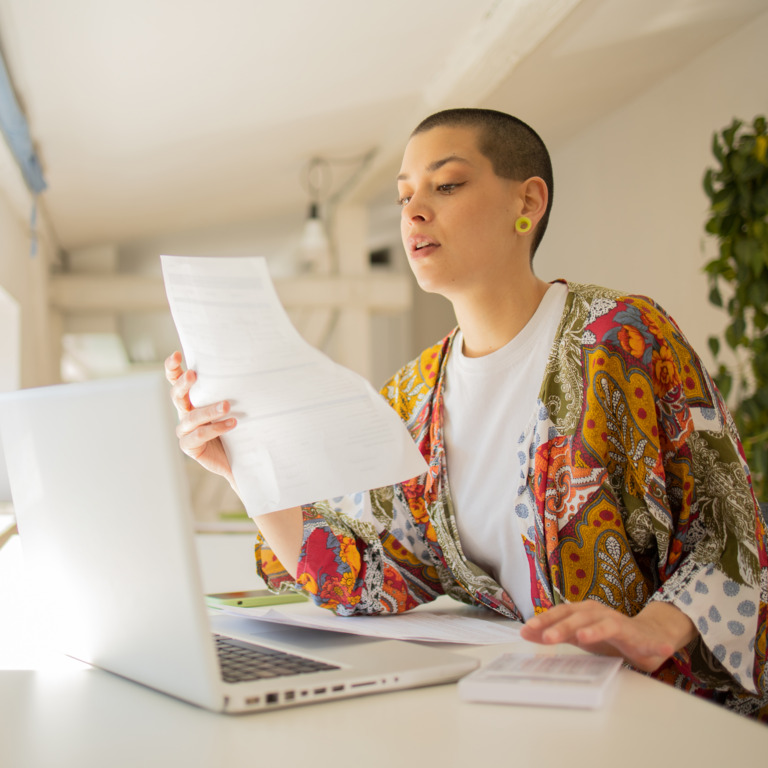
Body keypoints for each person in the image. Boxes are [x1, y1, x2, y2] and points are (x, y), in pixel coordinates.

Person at [166, 108, 768, 721]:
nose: (413, 212)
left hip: (661, 707)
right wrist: (241, 467)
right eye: (403, 196)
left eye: (446, 185)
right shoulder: (412, 396)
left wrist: (655, 629)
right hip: (519, 703)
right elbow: (371, 570)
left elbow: (730, 527)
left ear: (527, 202)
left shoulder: (622, 337)